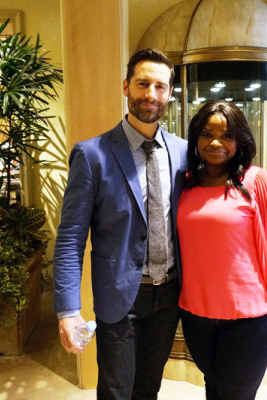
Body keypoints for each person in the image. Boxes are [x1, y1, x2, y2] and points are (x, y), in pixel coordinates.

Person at [53, 48, 187, 400]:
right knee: (116, 390)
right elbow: (70, 239)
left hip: (169, 293)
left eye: (160, 86)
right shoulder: (92, 154)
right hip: (119, 296)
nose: (151, 94)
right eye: (143, 84)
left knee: (149, 386)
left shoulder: (184, 152)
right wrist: (67, 310)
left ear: (170, 93)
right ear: (126, 87)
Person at [177, 101, 267, 400]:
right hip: (196, 312)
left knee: (236, 394)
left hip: (250, 316)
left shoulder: (255, 180)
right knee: (213, 386)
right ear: (196, 138)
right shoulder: (185, 184)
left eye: (227, 135)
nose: (216, 142)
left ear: (240, 141)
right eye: (207, 134)